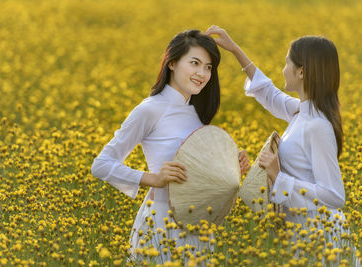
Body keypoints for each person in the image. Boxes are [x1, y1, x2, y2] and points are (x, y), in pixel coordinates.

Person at [90, 29, 250, 265]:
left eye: (208, 67)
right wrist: (153, 179)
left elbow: (198, 169)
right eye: (194, 63)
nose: (202, 73)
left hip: (198, 227)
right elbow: (101, 165)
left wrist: (231, 163)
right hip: (161, 224)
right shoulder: (151, 108)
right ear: (172, 63)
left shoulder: (196, 114)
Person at [206, 25, 360, 265]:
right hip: (301, 233)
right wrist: (234, 49)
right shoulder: (302, 112)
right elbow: (269, 94)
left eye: (287, 63)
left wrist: (279, 177)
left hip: (322, 239)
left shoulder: (317, 125)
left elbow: (334, 196)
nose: (283, 69)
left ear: (301, 72)